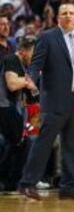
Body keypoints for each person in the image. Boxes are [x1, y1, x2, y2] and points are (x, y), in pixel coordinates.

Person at [18, 4, 74, 200]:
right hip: (55, 99)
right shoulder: (47, 37)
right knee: (44, 143)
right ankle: (27, 183)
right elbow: (36, 64)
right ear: (58, 18)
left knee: (72, 146)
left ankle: (67, 186)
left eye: (71, 13)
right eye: (64, 13)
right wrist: (30, 78)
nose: (68, 16)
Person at [0, 36, 37, 189]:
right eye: (32, 54)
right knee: (21, 142)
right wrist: (28, 82)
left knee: (18, 143)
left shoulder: (22, 65)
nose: (34, 58)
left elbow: (33, 97)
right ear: (22, 51)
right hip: (4, 107)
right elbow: (12, 84)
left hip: (9, 108)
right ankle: (11, 182)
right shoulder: (12, 60)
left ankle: (9, 182)